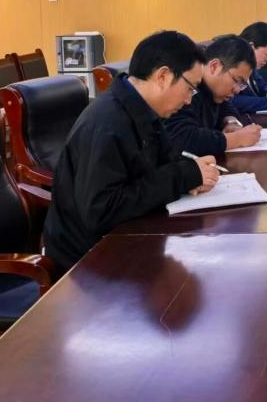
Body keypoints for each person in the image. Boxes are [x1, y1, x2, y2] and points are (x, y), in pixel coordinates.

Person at [44, 30, 221, 271]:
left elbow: (162, 164)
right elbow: (102, 210)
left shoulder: (143, 110)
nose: (190, 100)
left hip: (128, 237)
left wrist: (191, 174)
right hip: (89, 260)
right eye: (190, 88)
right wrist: (182, 176)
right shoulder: (107, 124)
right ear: (163, 76)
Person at [165, 35, 263, 154]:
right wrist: (236, 139)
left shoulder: (215, 92)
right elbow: (182, 138)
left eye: (242, 84)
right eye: (237, 80)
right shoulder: (187, 89)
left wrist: (230, 121)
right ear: (214, 66)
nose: (237, 90)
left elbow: (226, 107)